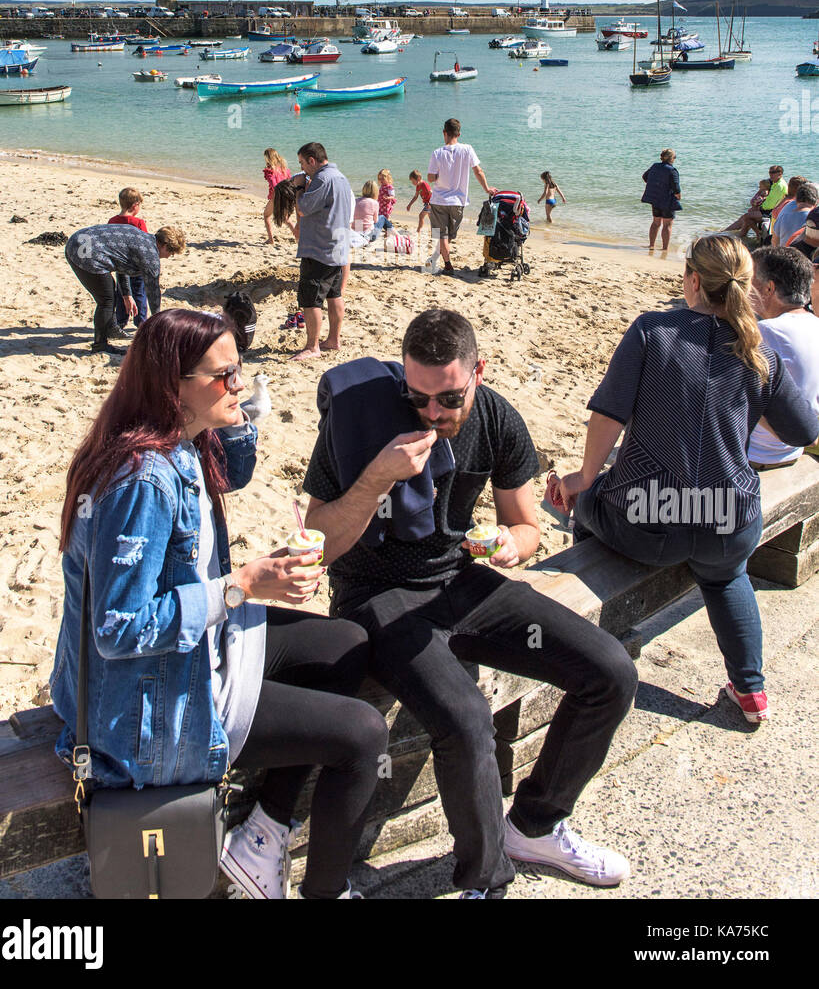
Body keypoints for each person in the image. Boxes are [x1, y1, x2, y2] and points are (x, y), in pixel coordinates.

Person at [50, 309, 388, 901]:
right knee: (362, 738)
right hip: (146, 719)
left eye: (240, 369)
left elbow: (235, 471)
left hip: (183, 657)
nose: (239, 384)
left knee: (345, 643)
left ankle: (264, 831)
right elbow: (119, 628)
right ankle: (326, 890)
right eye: (223, 376)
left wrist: (234, 414)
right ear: (170, 388)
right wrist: (241, 587)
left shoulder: (179, 443)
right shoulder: (142, 482)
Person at [303, 309, 637, 898]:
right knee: (465, 719)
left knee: (611, 672)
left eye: (448, 398)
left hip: (459, 583)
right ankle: (486, 879)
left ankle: (534, 824)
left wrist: (512, 543)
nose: (432, 412)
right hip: (373, 595)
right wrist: (377, 478)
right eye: (418, 397)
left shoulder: (498, 418)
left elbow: (527, 525)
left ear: (477, 373)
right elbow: (320, 542)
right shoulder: (361, 420)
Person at [556, 234, 818, 728]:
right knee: (727, 577)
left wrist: (583, 479)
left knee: (587, 506)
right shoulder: (758, 351)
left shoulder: (653, 331)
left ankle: (595, 650)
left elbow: (607, 416)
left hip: (647, 520)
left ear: (693, 281)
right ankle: (751, 691)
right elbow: (805, 430)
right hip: (727, 519)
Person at [65, 222, 186, 354]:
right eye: (171, 253)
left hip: (75, 241)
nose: (169, 257)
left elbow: (120, 264)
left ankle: (111, 328)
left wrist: (126, 295)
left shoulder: (140, 237)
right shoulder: (151, 256)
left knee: (109, 293)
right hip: (88, 254)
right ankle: (100, 345)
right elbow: (153, 292)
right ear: (164, 245)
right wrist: (158, 319)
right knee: (107, 300)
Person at [747, 247, 819, 469]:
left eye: (750, 282)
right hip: (794, 451)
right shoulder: (815, 325)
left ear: (769, 288)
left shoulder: (766, 332)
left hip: (757, 455)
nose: (745, 290)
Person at [292, 142, 353, 361]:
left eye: (302, 163)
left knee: (311, 300)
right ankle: (333, 340)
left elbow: (303, 208)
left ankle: (312, 346)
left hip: (319, 248)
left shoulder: (322, 178)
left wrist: (299, 187)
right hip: (337, 248)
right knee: (334, 295)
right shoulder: (342, 178)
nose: (302, 168)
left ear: (312, 160)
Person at [427, 119, 495, 276]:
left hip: (439, 200)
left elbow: (430, 177)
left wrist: (438, 175)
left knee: (443, 235)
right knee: (448, 236)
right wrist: (487, 188)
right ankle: (443, 262)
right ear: (459, 134)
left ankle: (445, 263)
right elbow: (478, 171)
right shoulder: (467, 149)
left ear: (444, 133)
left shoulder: (437, 153)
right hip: (458, 201)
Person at [109, 187, 149, 332]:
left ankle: (121, 321)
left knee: (121, 292)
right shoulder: (138, 223)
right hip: (135, 266)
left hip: (119, 266)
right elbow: (144, 243)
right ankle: (141, 322)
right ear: (135, 205)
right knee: (139, 293)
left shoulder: (112, 221)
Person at [727, 165, 787, 240]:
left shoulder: (779, 186)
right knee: (747, 218)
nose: (771, 174)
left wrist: (758, 208)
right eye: (770, 172)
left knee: (747, 216)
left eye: (773, 172)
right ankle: (739, 235)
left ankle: (756, 233)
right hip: (768, 210)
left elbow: (771, 205)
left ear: (780, 174)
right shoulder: (775, 182)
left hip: (770, 212)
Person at [641, 148, 681, 253]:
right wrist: (678, 195)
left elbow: (645, 176)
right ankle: (664, 248)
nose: (675, 159)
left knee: (656, 222)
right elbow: (676, 187)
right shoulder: (672, 170)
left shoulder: (655, 166)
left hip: (655, 198)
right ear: (671, 158)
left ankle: (651, 245)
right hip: (667, 199)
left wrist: (655, 185)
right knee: (667, 224)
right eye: (674, 157)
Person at [772, 182, 817, 250]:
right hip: (805, 258)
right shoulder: (813, 219)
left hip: (784, 255)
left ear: (796, 199)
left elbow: (775, 241)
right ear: (816, 202)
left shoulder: (785, 213)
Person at [263, 147, 292, 245]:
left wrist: (275, 196)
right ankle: (298, 236)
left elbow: (273, 184)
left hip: (275, 196)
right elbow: (289, 182)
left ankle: (271, 240)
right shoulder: (284, 169)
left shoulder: (270, 171)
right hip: (285, 195)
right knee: (286, 219)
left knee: (266, 216)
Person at [407, 169, 432, 235]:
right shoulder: (418, 186)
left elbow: (431, 193)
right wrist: (409, 204)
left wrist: (431, 203)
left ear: (418, 178)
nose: (412, 183)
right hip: (427, 204)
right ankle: (435, 233)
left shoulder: (424, 184)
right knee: (432, 219)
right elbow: (415, 196)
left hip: (430, 203)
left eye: (413, 181)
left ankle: (418, 230)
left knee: (421, 216)